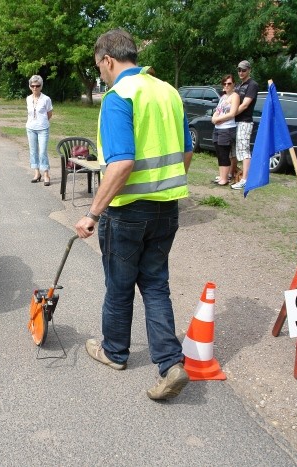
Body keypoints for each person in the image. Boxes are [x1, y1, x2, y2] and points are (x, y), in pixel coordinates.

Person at [74, 29, 193, 401]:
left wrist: (93, 212)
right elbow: (187, 150)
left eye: (99, 69)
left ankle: (114, 352)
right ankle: (171, 363)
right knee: (156, 285)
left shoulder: (119, 96)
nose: (101, 76)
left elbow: (122, 162)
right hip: (167, 208)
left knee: (120, 285)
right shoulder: (168, 91)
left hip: (128, 213)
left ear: (108, 60)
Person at [230, 60, 259, 190]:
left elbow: (245, 104)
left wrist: (232, 114)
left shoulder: (252, 85)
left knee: (244, 150)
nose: (241, 72)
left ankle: (245, 179)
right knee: (234, 150)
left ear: (249, 70)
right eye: (239, 70)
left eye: (244, 70)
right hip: (234, 121)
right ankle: (234, 174)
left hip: (245, 121)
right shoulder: (238, 86)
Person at [210, 74, 240, 186]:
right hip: (218, 128)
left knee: (224, 153)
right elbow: (217, 111)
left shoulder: (235, 96)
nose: (226, 85)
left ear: (233, 84)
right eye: (224, 83)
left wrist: (218, 119)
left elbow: (232, 113)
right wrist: (214, 118)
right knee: (219, 152)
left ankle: (225, 178)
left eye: (229, 83)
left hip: (227, 129)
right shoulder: (223, 97)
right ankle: (222, 176)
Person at [25, 75, 53, 186]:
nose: (35, 88)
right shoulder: (28, 99)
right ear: (30, 86)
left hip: (43, 128)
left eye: (37, 86)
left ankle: (46, 174)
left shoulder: (46, 99)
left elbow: (49, 114)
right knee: (33, 151)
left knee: (42, 152)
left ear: (41, 86)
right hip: (30, 128)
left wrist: (42, 122)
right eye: (32, 86)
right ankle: (37, 173)